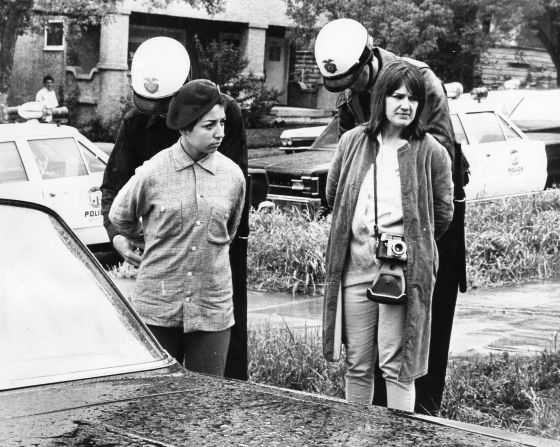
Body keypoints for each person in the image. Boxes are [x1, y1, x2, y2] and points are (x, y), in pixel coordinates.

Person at [314, 18, 467, 414]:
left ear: (369, 61)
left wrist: (416, 232)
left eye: (355, 79)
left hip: (424, 219)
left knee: (411, 345)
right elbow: (345, 170)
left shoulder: (420, 82)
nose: (351, 90)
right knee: (360, 358)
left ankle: (421, 417)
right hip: (363, 248)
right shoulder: (352, 101)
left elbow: (436, 172)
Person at [100, 37, 250, 380]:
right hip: (163, 255)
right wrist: (121, 238)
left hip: (212, 246)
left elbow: (235, 199)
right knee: (155, 370)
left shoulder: (226, 116)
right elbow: (114, 189)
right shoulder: (136, 122)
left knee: (219, 360)